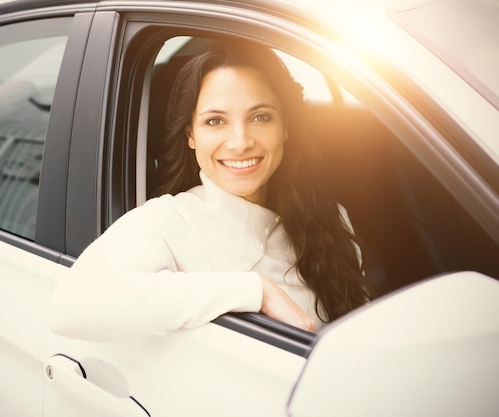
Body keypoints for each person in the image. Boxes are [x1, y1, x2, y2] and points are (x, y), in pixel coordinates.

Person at [48, 38, 370, 342]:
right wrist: (256, 291)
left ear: (285, 127)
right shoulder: (170, 220)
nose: (241, 141)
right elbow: (69, 308)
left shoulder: (330, 216)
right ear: (191, 134)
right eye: (216, 121)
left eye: (260, 117)